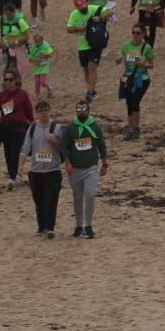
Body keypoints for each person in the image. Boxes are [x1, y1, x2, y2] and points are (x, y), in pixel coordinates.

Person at [59, 102, 107, 238]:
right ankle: (79, 225)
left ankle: (89, 225)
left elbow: (102, 146)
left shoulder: (95, 127)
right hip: (75, 169)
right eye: (78, 110)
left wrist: (104, 164)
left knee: (90, 195)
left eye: (83, 110)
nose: (81, 112)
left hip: (91, 167)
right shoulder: (70, 128)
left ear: (88, 110)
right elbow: (65, 147)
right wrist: (67, 164)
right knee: (77, 197)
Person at [116, 22, 154, 140]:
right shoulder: (126, 45)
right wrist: (118, 59)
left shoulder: (146, 47)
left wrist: (144, 64)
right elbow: (118, 57)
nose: (135, 35)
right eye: (133, 32)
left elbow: (152, 65)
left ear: (143, 34)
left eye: (138, 33)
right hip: (128, 78)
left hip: (141, 79)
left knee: (134, 103)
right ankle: (131, 129)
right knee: (129, 104)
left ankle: (136, 127)